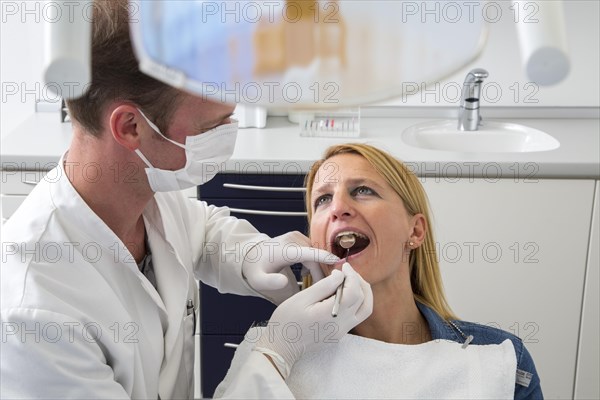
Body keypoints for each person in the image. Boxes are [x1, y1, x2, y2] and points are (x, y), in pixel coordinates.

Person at [0, 2, 372, 399]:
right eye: (211, 126)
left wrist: (252, 255)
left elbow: (199, 229)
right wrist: (276, 353)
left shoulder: (142, 191)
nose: (229, 134)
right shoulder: (36, 317)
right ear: (130, 127)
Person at [216, 143, 543, 399]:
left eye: (362, 190)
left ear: (414, 232)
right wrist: (276, 354)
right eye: (322, 200)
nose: (338, 208)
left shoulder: (497, 359)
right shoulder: (273, 352)